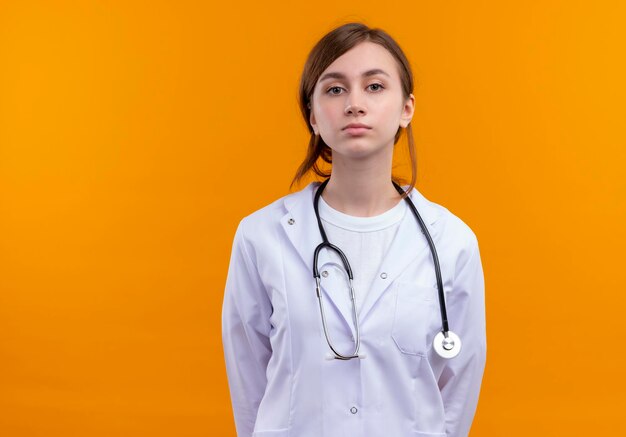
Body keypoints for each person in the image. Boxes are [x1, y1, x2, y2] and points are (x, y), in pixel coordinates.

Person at [222, 22, 486, 437]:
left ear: (407, 108)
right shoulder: (262, 236)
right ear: (313, 115)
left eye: (375, 87)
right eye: (335, 89)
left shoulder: (452, 243)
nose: (355, 104)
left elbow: (457, 391)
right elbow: (249, 383)